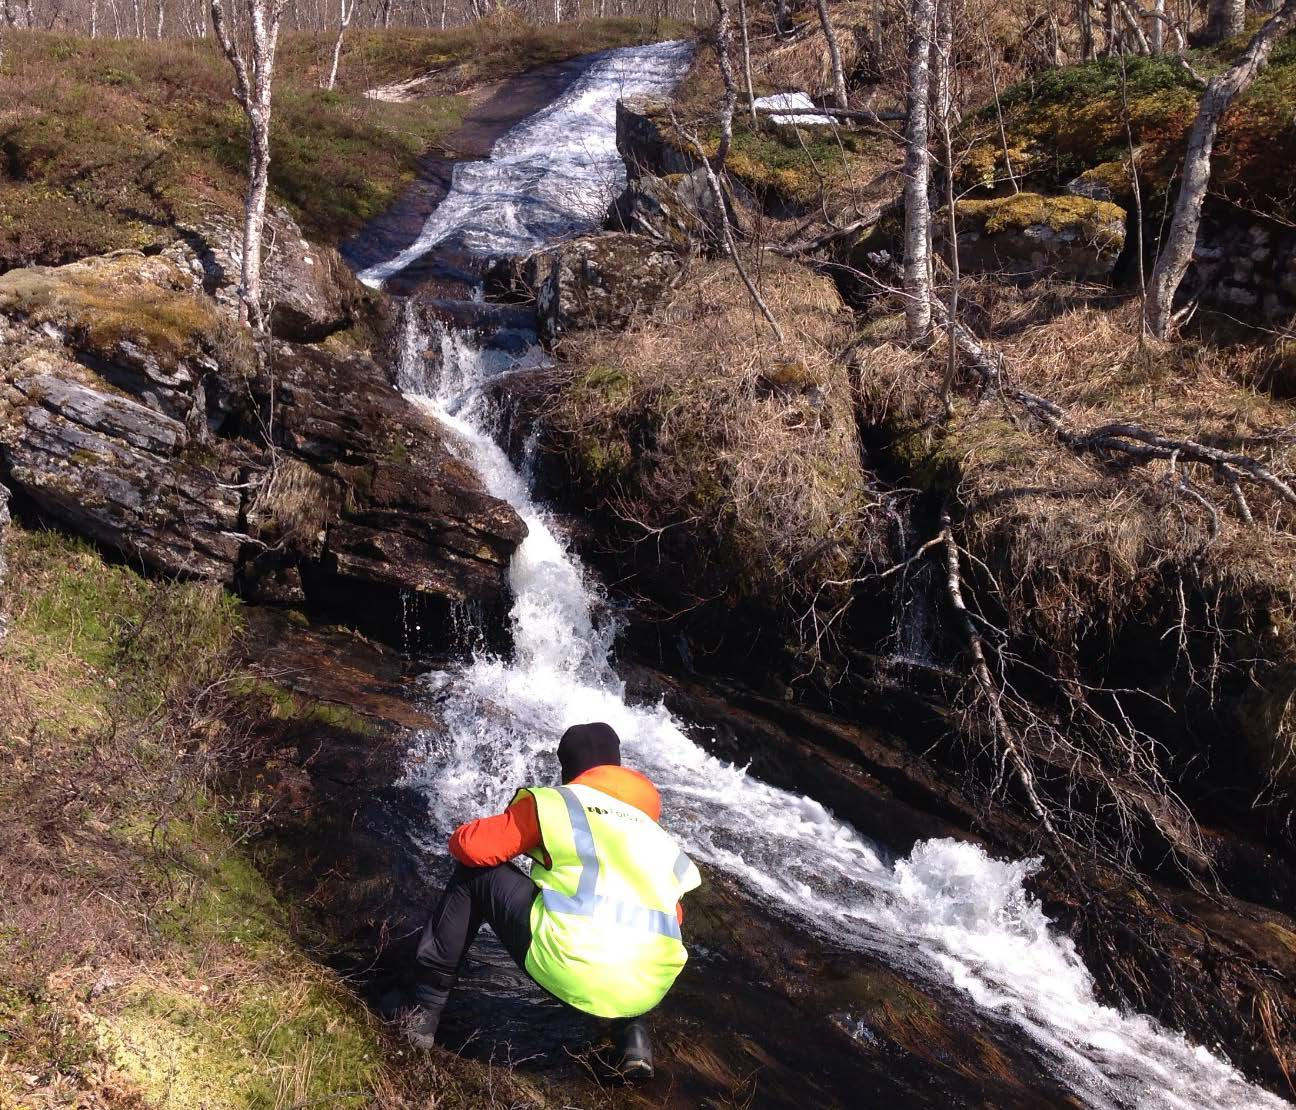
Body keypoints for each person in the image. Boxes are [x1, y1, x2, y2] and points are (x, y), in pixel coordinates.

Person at [407, 721, 702, 1080]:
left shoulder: (559, 804)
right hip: (647, 989)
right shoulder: (655, 835)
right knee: (635, 936)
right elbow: (674, 917)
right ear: (619, 769)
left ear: (569, 769)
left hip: (572, 967)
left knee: (476, 874)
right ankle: (633, 1040)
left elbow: (470, 847)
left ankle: (421, 1012)